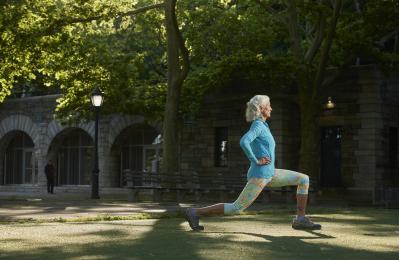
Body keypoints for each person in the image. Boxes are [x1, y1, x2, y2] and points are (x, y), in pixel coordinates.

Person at [185, 95, 321, 231]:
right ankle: (195, 212)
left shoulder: (264, 126)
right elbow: (244, 141)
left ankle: (300, 219)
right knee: (236, 207)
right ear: (261, 108)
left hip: (271, 174)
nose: (271, 108)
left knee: (303, 179)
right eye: (269, 106)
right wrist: (255, 160)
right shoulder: (258, 125)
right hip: (260, 175)